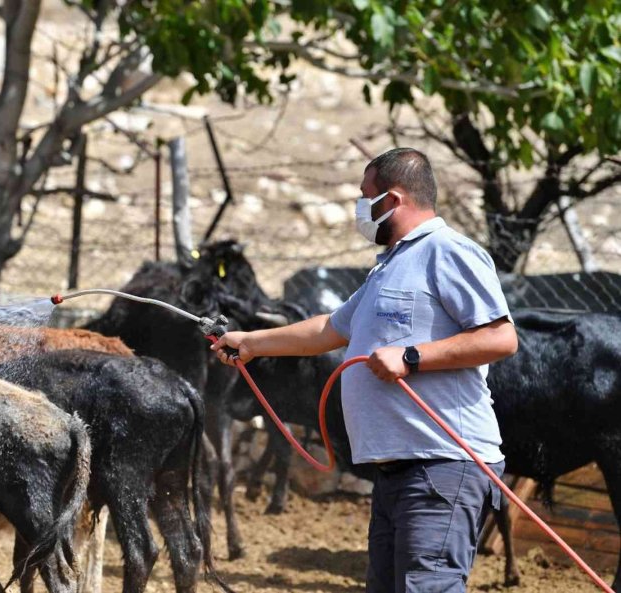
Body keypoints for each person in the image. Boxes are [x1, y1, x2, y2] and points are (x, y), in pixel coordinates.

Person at [211, 147, 518, 593]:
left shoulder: (448, 252)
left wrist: (412, 356)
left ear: (392, 200)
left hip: (441, 464)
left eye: (364, 195)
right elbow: (327, 330)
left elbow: (501, 337)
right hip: (398, 471)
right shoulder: (389, 267)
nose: (359, 207)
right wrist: (252, 343)